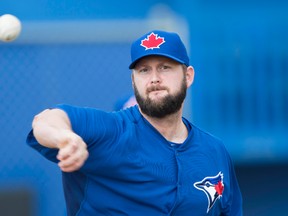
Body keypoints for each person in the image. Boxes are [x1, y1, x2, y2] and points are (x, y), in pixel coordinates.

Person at [26, 30, 242, 215]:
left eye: (165, 67)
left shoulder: (214, 151)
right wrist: (65, 137)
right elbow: (45, 121)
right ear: (133, 80)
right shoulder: (111, 132)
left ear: (188, 76)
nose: (154, 78)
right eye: (144, 70)